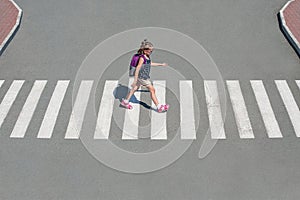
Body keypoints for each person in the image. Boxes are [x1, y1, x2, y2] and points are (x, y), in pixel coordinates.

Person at [120, 39, 169, 113]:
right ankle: (159, 107)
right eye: (150, 50)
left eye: (152, 50)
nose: (151, 52)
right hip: (142, 77)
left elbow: (150, 63)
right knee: (152, 90)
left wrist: (161, 64)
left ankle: (125, 102)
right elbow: (137, 69)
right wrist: (135, 80)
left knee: (135, 88)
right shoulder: (142, 58)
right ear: (145, 50)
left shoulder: (147, 57)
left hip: (142, 76)